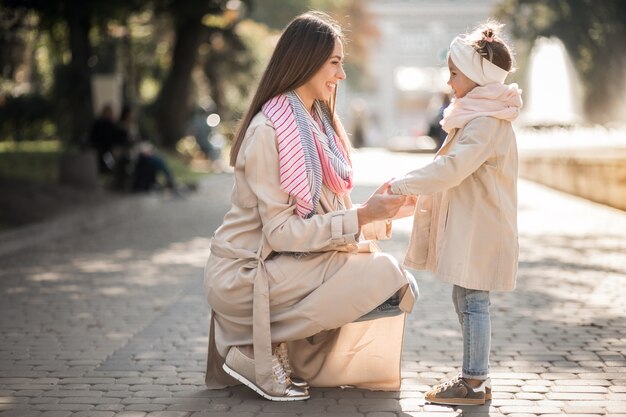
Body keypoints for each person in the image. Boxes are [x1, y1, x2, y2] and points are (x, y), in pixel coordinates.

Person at [203, 11, 419, 402]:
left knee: (388, 278)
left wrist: (383, 213)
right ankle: (252, 346)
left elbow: (327, 218)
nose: (342, 75)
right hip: (247, 274)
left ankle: (268, 348)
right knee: (383, 274)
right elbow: (282, 233)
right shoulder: (271, 130)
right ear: (305, 60)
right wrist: (363, 217)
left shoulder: (315, 125)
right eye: (335, 62)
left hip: (280, 265)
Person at [388, 21, 522, 406]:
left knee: (474, 300)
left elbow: (452, 168)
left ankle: (475, 381)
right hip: (476, 224)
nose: (449, 82)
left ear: (477, 76)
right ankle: (474, 375)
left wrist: (403, 184)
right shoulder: (477, 115)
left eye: (454, 73)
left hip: (483, 227)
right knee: (464, 297)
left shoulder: (485, 121)